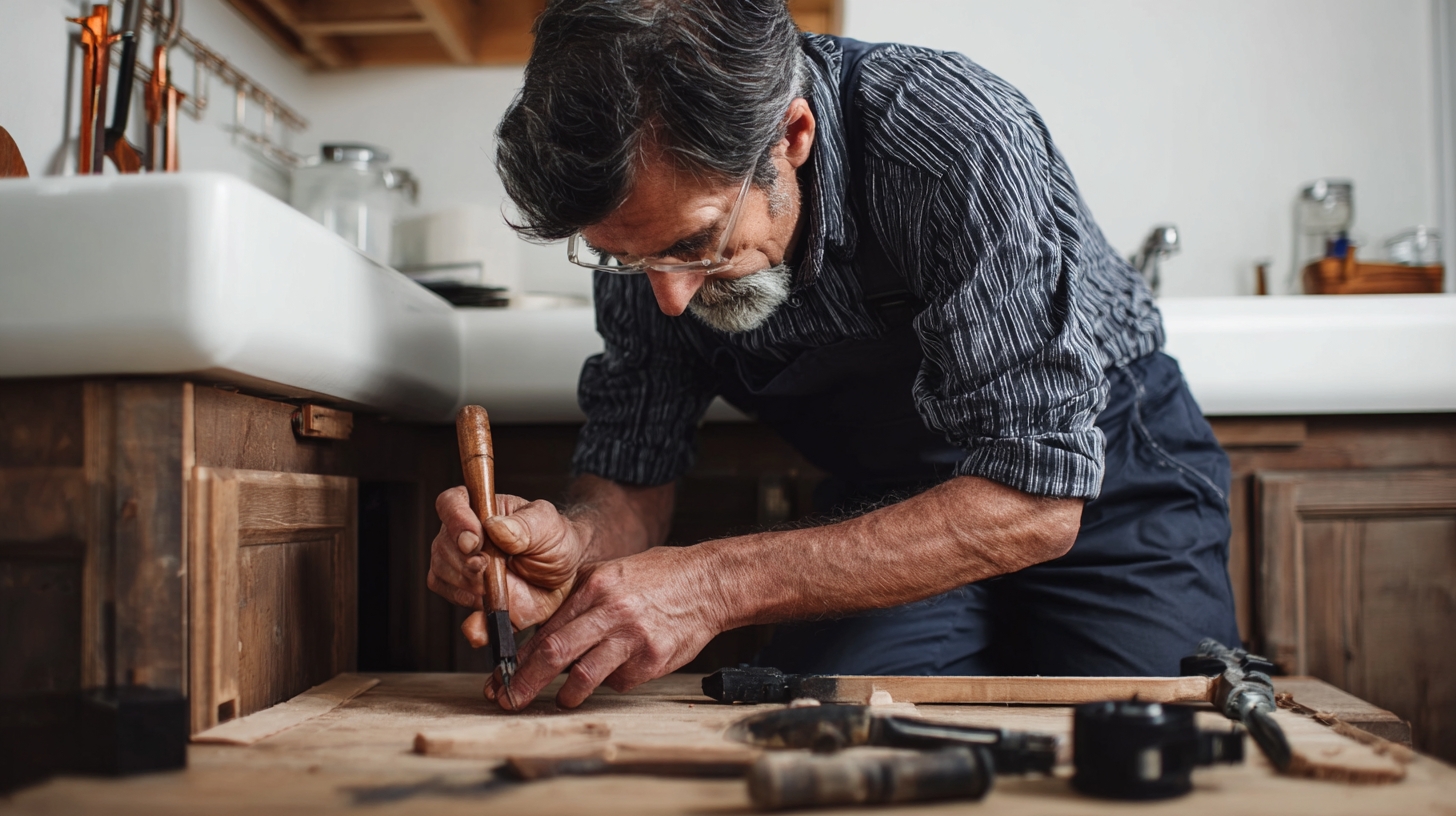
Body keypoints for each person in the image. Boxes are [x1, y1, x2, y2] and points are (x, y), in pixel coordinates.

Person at [428, 0, 1240, 711]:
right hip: (888, 505)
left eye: (697, 243)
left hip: (1108, 484)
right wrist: (572, 542)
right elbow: (634, 475)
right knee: (820, 743)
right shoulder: (643, 240)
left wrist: (710, 586)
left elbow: (1036, 501)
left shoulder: (952, 137)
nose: (668, 299)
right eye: (632, 262)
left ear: (792, 135)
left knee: (1162, 751)